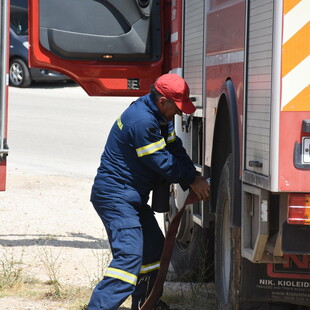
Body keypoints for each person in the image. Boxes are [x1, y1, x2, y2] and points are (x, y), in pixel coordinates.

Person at [88, 73, 210, 310]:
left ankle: (146, 303)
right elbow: (161, 161)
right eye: (177, 107)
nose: (180, 113)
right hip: (116, 197)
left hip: (130, 196)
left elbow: (174, 148)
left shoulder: (158, 115)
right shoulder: (142, 121)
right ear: (163, 100)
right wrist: (190, 180)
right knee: (130, 258)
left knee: (154, 247)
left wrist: (193, 177)